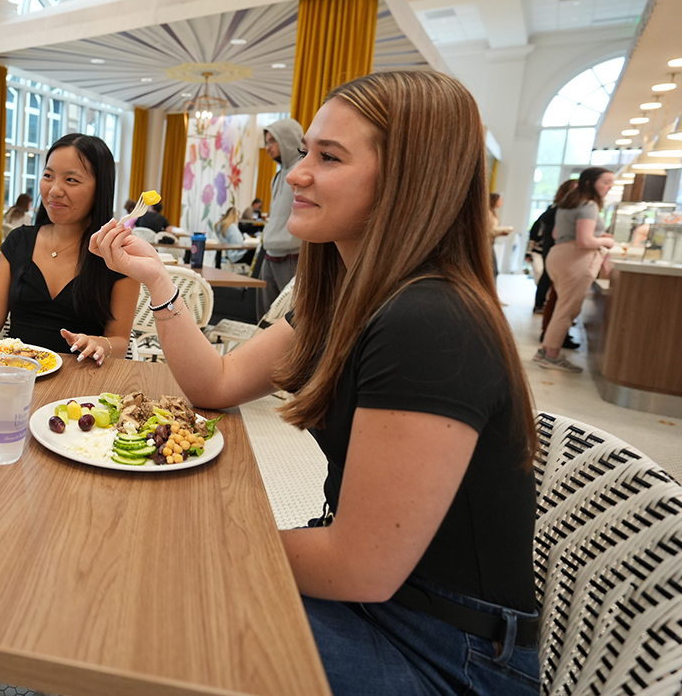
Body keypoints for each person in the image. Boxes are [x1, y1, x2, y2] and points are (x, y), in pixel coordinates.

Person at [89, 70, 539, 695]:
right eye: (305, 153)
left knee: (148, 609)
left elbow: (360, 568)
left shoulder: (432, 321)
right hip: (386, 610)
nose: (296, 175)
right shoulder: (352, 294)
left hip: (444, 653)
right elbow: (217, 384)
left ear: (409, 178)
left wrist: (196, 537)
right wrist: (158, 283)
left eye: (328, 157)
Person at [0, 133, 138, 363]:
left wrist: (98, 343)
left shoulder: (117, 254)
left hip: (82, 383)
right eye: (48, 176)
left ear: (100, 188)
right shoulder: (19, 241)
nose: (54, 190)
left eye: (71, 180)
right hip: (18, 375)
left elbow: (120, 342)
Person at [535, 167, 620, 373]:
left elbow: (556, 233)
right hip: (576, 259)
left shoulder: (569, 203)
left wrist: (597, 236)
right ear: (590, 183)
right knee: (567, 309)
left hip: (559, 256)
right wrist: (605, 242)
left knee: (561, 307)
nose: (609, 187)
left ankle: (546, 350)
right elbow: (584, 241)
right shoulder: (589, 205)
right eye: (606, 182)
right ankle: (551, 355)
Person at [256, 118, 304, 318]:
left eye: (272, 141)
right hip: (270, 252)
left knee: (287, 316)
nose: (267, 147)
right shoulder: (279, 174)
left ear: (286, 139)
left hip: (292, 255)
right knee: (264, 316)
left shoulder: (302, 170)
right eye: (266, 142)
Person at [528, 180, 576, 314]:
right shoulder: (558, 208)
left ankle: (543, 305)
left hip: (553, 246)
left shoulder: (559, 208)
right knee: (548, 276)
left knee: (549, 276)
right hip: (551, 247)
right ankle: (540, 304)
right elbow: (543, 224)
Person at [488, 192, 513, 277]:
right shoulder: (488, 213)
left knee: (493, 270)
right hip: (486, 244)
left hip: (490, 242)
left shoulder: (493, 213)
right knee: (493, 270)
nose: (501, 202)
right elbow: (488, 231)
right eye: (500, 200)